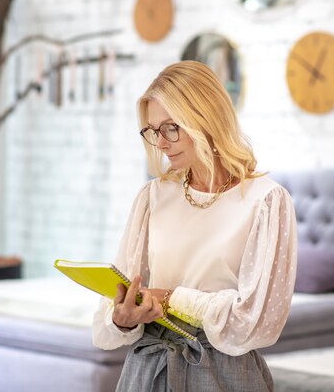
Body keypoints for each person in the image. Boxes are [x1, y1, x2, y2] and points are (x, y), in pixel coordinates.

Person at [92, 60, 297, 392]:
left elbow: (254, 322)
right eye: (153, 130)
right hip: (146, 372)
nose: (160, 143)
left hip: (223, 376)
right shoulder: (152, 197)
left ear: (205, 119)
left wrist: (173, 298)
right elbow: (108, 315)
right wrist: (122, 318)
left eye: (171, 127)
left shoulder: (266, 201)